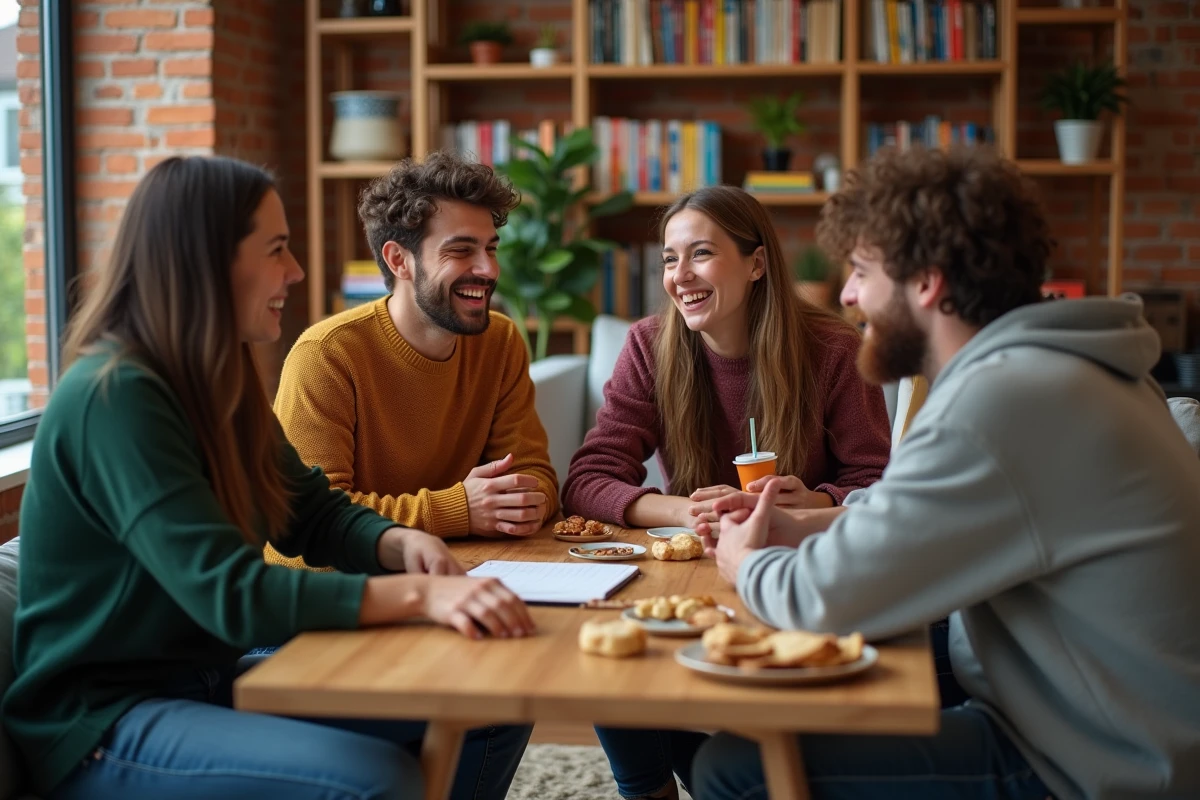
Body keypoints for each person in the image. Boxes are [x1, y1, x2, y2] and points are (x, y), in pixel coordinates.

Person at [1, 156, 536, 800]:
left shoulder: (219, 380)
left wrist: (399, 544)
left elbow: (310, 509)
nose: (296, 272)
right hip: (103, 724)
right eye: (277, 250)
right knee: (375, 779)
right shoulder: (115, 397)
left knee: (491, 697)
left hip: (210, 682)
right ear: (207, 260)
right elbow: (229, 593)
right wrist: (421, 598)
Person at [693, 145, 1200, 799]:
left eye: (860, 270)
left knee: (734, 770)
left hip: (1101, 765)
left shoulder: (1004, 400)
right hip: (1102, 710)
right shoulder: (1060, 370)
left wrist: (745, 560)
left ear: (927, 282)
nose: (847, 295)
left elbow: (823, 599)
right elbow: (910, 521)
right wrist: (796, 525)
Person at [562, 186, 892, 800]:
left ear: (757, 264)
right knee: (609, 643)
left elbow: (876, 485)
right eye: (668, 259)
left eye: (701, 254)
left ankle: (718, 768)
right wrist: (686, 508)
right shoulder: (648, 345)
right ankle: (649, 788)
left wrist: (811, 501)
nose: (679, 275)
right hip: (687, 574)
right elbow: (587, 479)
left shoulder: (835, 349)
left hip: (788, 571)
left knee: (738, 763)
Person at [265, 151, 557, 573]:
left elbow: (535, 474)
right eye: (461, 250)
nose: (488, 269)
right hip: (314, 614)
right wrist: (457, 510)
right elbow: (299, 541)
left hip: (447, 579)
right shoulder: (327, 355)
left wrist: (526, 502)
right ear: (398, 259)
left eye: (491, 249)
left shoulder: (501, 341)